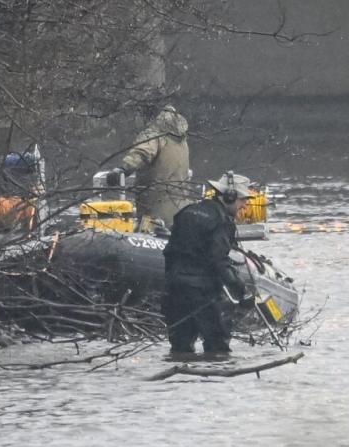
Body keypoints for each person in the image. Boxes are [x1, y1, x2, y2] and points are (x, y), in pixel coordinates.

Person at [162, 171, 254, 353]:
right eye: (242, 199)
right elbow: (219, 261)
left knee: (180, 346)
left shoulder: (186, 212)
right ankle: (215, 380)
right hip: (202, 294)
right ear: (230, 196)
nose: (244, 205)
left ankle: (179, 380)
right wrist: (242, 291)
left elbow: (170, 253)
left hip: (175, 290)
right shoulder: (220, 222)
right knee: (218, 347)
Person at [105, 105, 191, 229]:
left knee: (149, 233)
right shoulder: (183, 142)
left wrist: (124, 169)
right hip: (179, 204)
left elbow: (142, 153)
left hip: (154, 203)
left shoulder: (154, 136)